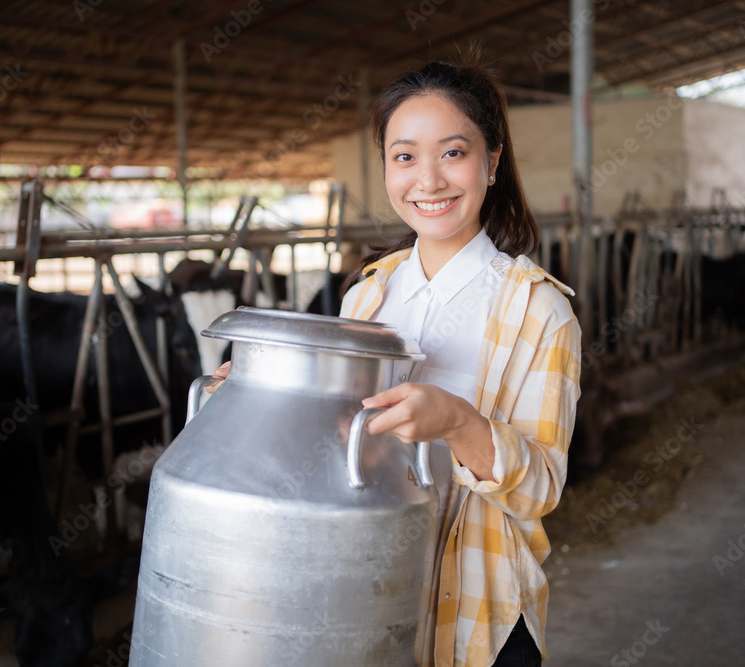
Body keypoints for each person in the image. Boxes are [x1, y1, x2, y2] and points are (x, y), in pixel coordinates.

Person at [209, 50, 581, 667]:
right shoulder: (368, 294)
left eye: (453, 153)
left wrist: (459, 424)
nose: (428, 180)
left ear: (492, 163)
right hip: (366, 592)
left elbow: (541, 489)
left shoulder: (539, 311)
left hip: (476, 612)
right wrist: (261, 400)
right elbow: (338, 439)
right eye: (405, 156)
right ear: (385, 169)